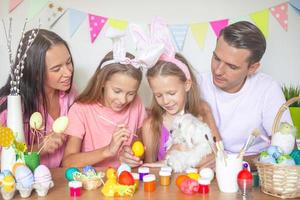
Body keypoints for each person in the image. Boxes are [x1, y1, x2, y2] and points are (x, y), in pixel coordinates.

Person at [198, 21, 292, 163]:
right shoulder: (198, 84)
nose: (218, 70)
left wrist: (231, 162)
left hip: (255, 173)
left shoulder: (268, 89)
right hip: (206, 169)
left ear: (252, 68)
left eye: (231, 66)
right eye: (216, 58)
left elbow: (285, 149)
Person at [0, 29, 76, 168]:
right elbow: (5, 159)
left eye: (68, 62)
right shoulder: (11, 107)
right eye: (56, 68)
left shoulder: (70, 95)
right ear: (35, 73)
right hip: (26, 184)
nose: (68, 72)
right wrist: (40, 147)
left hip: (61, 181)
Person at [62, 51, 146, 168]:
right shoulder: (80, 110)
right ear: (102, 82)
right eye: (117, 91)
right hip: (93, 181)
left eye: (131, 93)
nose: (123, 100)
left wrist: (133, 156)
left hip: (125, 181)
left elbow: (140, 145)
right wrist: (108, 150)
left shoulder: (136, 103)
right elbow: (68, 162)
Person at [142, 53, 220, 167]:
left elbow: (219, 153)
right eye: (158, 95)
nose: (165, 101)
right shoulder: (151, 125)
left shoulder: (203, 111)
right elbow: (149, 171)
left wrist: (180, 160)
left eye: (171, 93)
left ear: (187, 85)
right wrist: (171, 155)